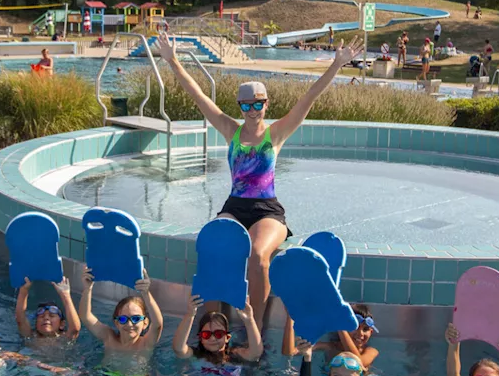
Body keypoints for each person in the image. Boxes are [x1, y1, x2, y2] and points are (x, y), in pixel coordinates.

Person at [155, 30, 363, 325]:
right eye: (245, 105)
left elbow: (309, 97)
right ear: (239, 106)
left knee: (256, 255)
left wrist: (336, 64)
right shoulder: (231, 130)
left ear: (266, 104)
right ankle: (211, 327)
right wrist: (172, 61)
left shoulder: (276, 133)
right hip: (234, 206)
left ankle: (254, 329)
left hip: (267, 211)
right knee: (213, 246)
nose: (252, 110)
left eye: (257, 104)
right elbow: (198, 95)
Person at [77, 268, 164, 376]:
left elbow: (158, 324)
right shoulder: (109, 337)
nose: (129, 324)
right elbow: (86, 317)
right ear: (116, 323)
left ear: (145, 323)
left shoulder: (145, 343)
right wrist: (88, 288)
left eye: (136, 319)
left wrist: (146, 293)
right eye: (123, 319)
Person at [172, 293, 262, 376]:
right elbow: (178, 349)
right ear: (200, 338)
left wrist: (250, 321)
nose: (212, 338)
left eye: (218, 334)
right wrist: (189, 315)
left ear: (227, 338)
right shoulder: (196, 355)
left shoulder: (234, 355)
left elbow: (255, 354)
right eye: (206, 334)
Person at [14, 276, 81, 345]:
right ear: (36, 323)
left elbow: (75, 329)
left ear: (62, 324)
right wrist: (23, 290)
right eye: (42, 316)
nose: (46, 318)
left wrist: (65, 295)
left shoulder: (64, 337)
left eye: (51, 316)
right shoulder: (31, 335)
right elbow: (20, 320)